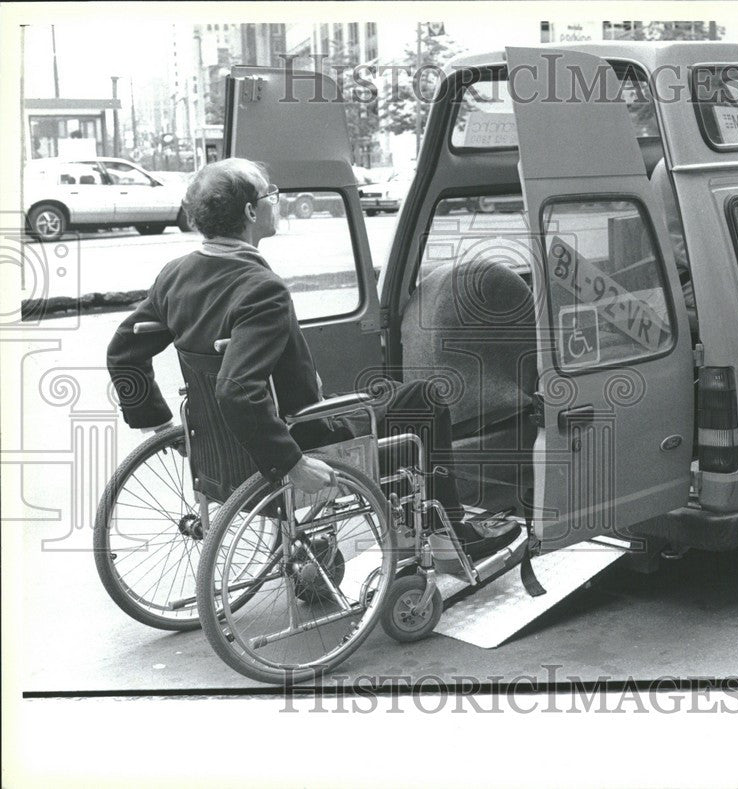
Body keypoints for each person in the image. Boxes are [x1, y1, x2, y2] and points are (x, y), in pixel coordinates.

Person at [107, 158, 517, 558]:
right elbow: (236, 389)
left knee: (390, 395)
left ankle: (403, 522)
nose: (277, 201)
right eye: (271, 195)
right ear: (251, 211)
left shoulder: (175, 274)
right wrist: (294, 463)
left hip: (218, 447)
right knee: (424, 399)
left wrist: (157, 420)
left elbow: (124, 351)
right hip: (301, 432)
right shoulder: (259, 288)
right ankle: (447, 534)